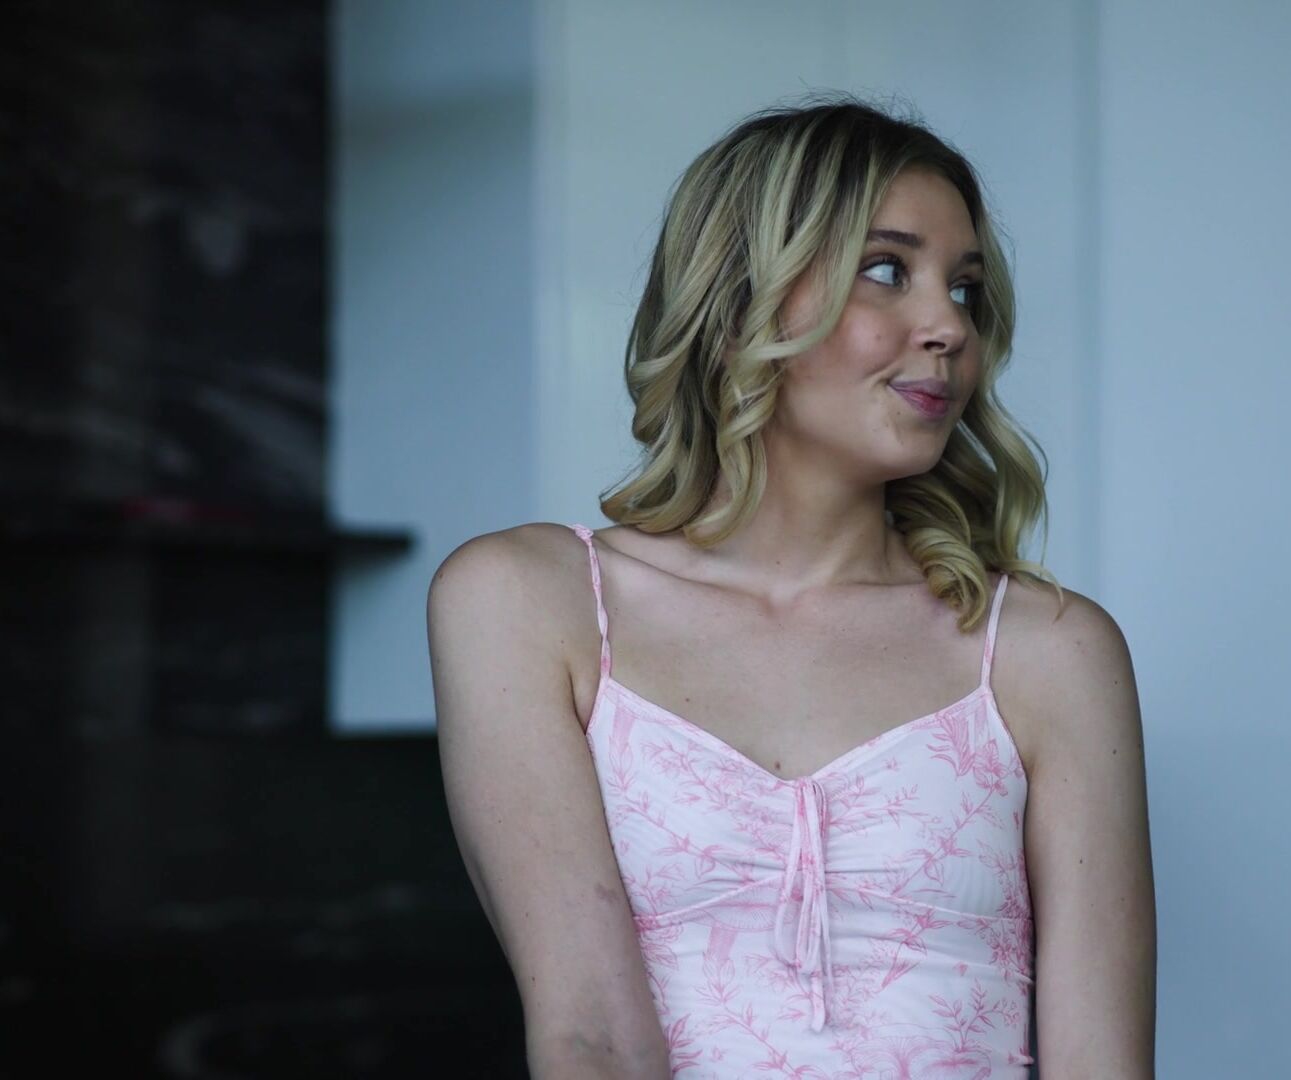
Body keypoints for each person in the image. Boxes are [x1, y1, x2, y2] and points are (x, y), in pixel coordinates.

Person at [426, 93, 1155, 1079]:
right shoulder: (527, 603)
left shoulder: (1046, 649)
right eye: (887, 270)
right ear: (740, 302)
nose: (948, 325)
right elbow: (589, 1036)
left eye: (965, 289)